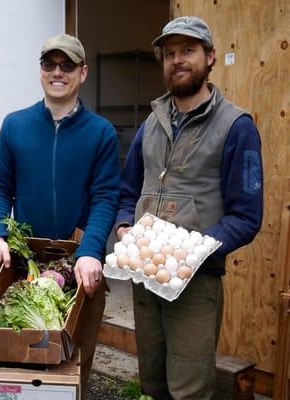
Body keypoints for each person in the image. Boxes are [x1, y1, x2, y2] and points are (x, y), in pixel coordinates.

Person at [115, 16, 263, 399]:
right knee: (153, 382)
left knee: (190, 390)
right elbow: (126, 191)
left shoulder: (236, 126)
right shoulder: (151, 123)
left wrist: (190, 252)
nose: (178, 60)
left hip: (195, 286)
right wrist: (124, 226)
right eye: (170, 53)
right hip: (146, 280)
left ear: (210, 56)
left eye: (188, 50)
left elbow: (246, 217)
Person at [0, 33, 120, 395]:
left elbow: (106, 197)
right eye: (50, 64)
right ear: (41, 70)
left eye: (67, 65)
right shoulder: (15, 125)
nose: (57, 72)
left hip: (79, 264)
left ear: (83, 72)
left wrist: (92, 250)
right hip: (25, 264)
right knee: (20, 361)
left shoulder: (101, 132)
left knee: (76, 361)